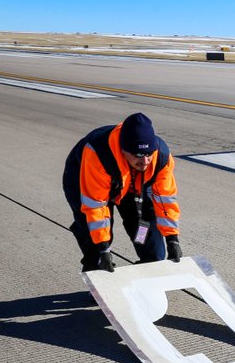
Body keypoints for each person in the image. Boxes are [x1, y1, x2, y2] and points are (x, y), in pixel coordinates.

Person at [62, 112, 182, 272]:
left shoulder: (160, 157)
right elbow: (96, 206)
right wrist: (103, 249)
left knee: (145, 230)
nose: (144, 161)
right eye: (138, 154)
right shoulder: (98, 154)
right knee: (93, 238)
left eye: (148, 154)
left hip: (131, 185)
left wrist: (172, 238)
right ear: (123, 150)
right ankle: (95, 272)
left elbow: (165, 200)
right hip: (86, 181)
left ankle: (146, 267)